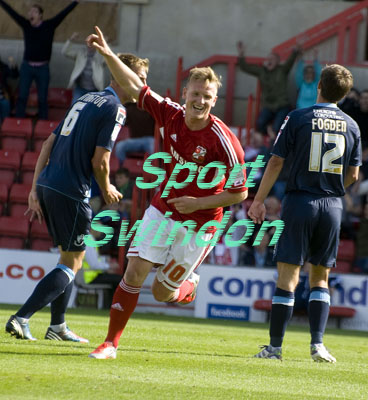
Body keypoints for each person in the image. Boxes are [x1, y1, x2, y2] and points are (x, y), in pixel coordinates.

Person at [87, 26, 248, 359]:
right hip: (162, 210)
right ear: (185, 92)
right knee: (134, 272)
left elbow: (240, 193)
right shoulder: (170, 114)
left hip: (201, 223)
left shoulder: (225, 142)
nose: (200, 101)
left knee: (162, 293)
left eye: (207, 96)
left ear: (214, 100)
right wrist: (107, 55)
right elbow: (135, 86)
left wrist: (197, 202)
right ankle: (110, 343)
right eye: (196, 94)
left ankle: (187, 287)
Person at [4, 52, 149, 342]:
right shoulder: (116, 109)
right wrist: (106, 187)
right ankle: (21, 317)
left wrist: (34, 188)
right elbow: (101, 160)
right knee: (75, 262)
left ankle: (57, 326)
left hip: (48, 184)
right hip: (71, 189)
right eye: (140, 78)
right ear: (123, 76)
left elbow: (48, 142)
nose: (142, 84)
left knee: (68, 257)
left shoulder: (85, 99)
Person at [248, 64, 361, 362]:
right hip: (332, 205)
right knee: (320, 277)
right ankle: (318, 345)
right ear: (345, 93)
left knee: (288, 276)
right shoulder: (352, 125)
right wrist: (334, 186)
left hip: (300, 202)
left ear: (319, 87)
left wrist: (258, 200)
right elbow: (354, 174)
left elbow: (274, 163)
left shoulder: (298, 117)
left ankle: (274, 348)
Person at [0, 0, 79, 119]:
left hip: (43, 68)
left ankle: (43, 123)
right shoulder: (26, 25)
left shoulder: (49, 25)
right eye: (30, 11)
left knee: (42, 98)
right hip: (27, 66)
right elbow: (12, 13)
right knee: (22, 96)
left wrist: (75, 2)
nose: (31, 14)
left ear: (40, 15)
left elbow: (63, 14)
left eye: (34, 11)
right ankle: (18, 122)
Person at [237, 41, 300, 138]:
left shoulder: (282, 70)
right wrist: (241, 54)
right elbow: (245, 67)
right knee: (260, 124)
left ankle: (271, 146)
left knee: (277, 128)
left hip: (282, 105)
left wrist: (295, 50)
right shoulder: (262, 71)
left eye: (273, 59)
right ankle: (262, 151)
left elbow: (290, 61)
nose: (270, 61)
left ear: (277, 61)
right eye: (268, 59)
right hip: (268, 106)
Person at [113, 55, 155, 164]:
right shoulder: (129, 106)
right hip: (134, 141)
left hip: (149, 140)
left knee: (152, 144)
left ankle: (155, 173)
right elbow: (121, 120)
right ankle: (121, 173)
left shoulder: (151, 105)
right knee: (120, 146)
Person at [62, 32, 106, 104]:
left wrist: (104, 44)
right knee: (74, 106)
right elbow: (65, 52)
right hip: (80, 88)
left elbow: (109, 59)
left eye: (91, 44)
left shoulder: (100, 55)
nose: (89, 46)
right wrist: (71, 40)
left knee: (91, 111)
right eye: (87, 43)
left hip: (95, 90)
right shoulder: (81, 53)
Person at [0, 55, 19, 123]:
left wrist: (13, 64)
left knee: (5, 104)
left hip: (3, 97)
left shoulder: (3, 67)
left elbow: (15, 75)